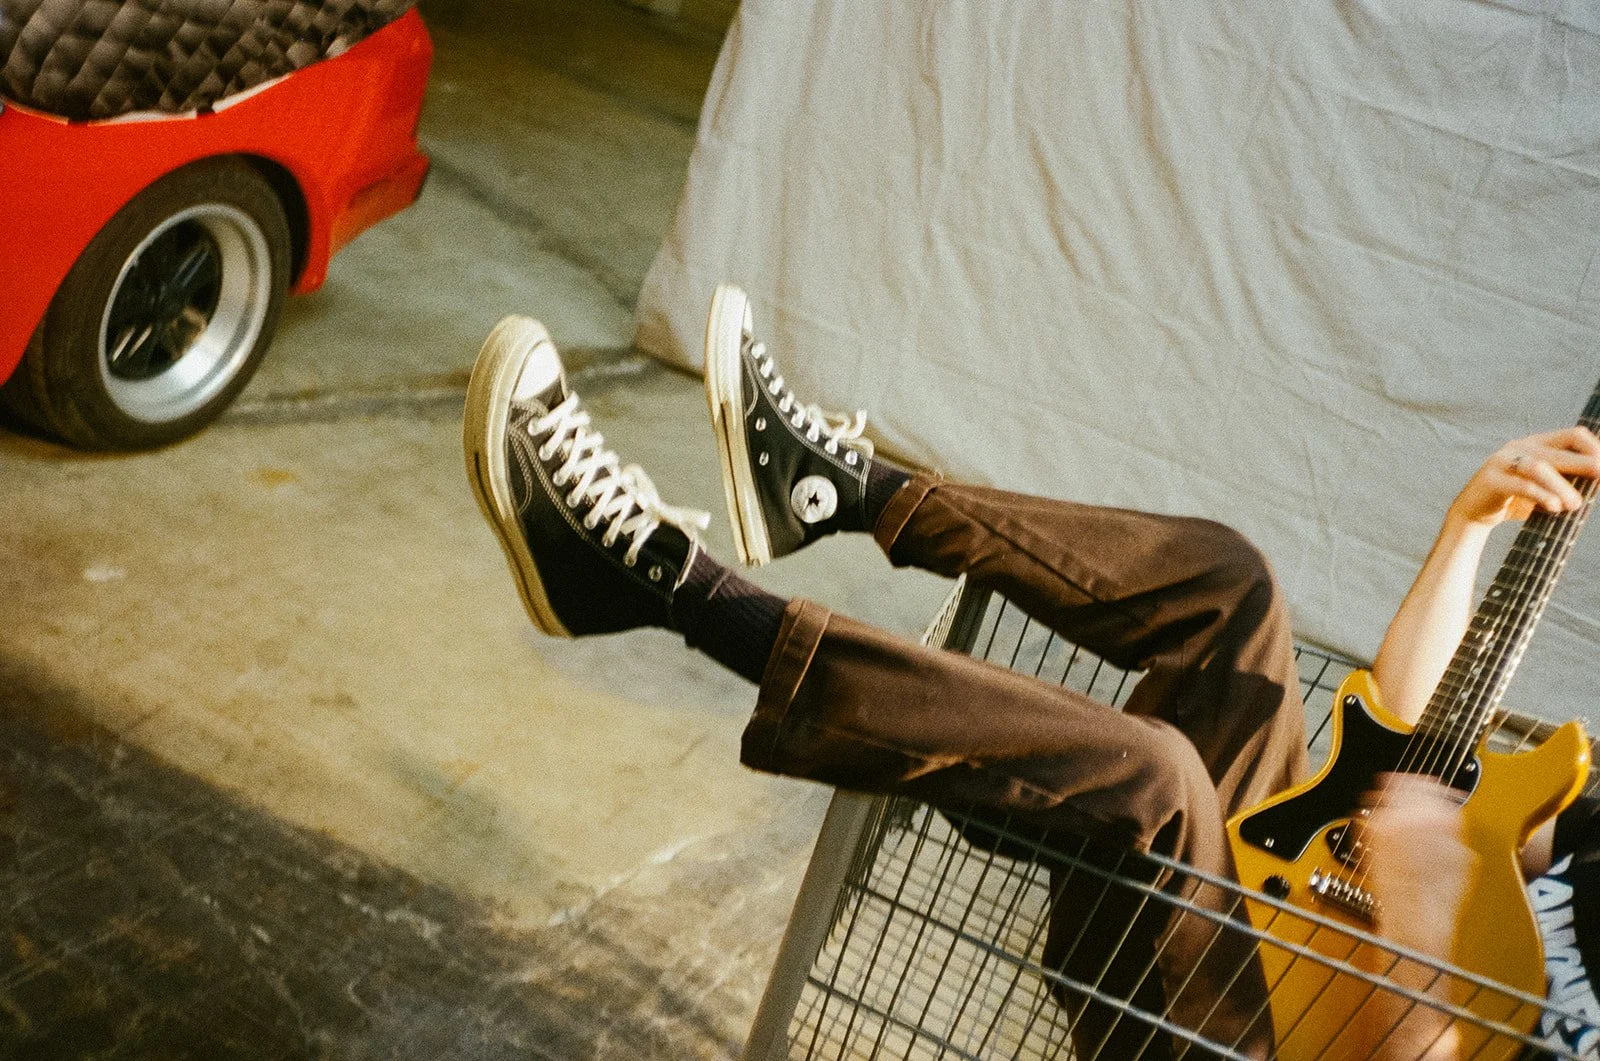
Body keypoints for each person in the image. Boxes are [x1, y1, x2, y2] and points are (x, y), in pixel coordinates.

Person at [460, 284, 1600, 1060]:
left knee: (1154, 782)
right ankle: (838, 490)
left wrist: (1419, 898)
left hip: (1247, 1039)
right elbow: (1416, 760)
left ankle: (659, 580)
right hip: (1285, 940)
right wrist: (1468, 527)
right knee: (1230, 588)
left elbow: (1431, 979)